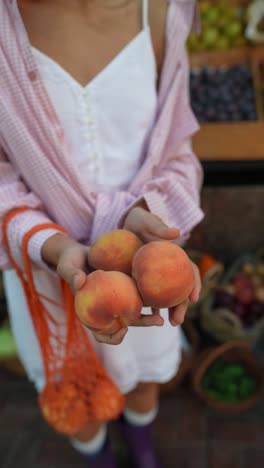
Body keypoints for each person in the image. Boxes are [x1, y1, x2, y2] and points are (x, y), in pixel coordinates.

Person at [0, 0, 204, 467]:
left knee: (144, 373)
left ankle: (142, 445)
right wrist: (55, 248)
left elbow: (177, 151)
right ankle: (99, 459)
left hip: (144, 261)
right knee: (76, 397)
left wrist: (142, 213)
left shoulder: (160, 12)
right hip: (48, 269)